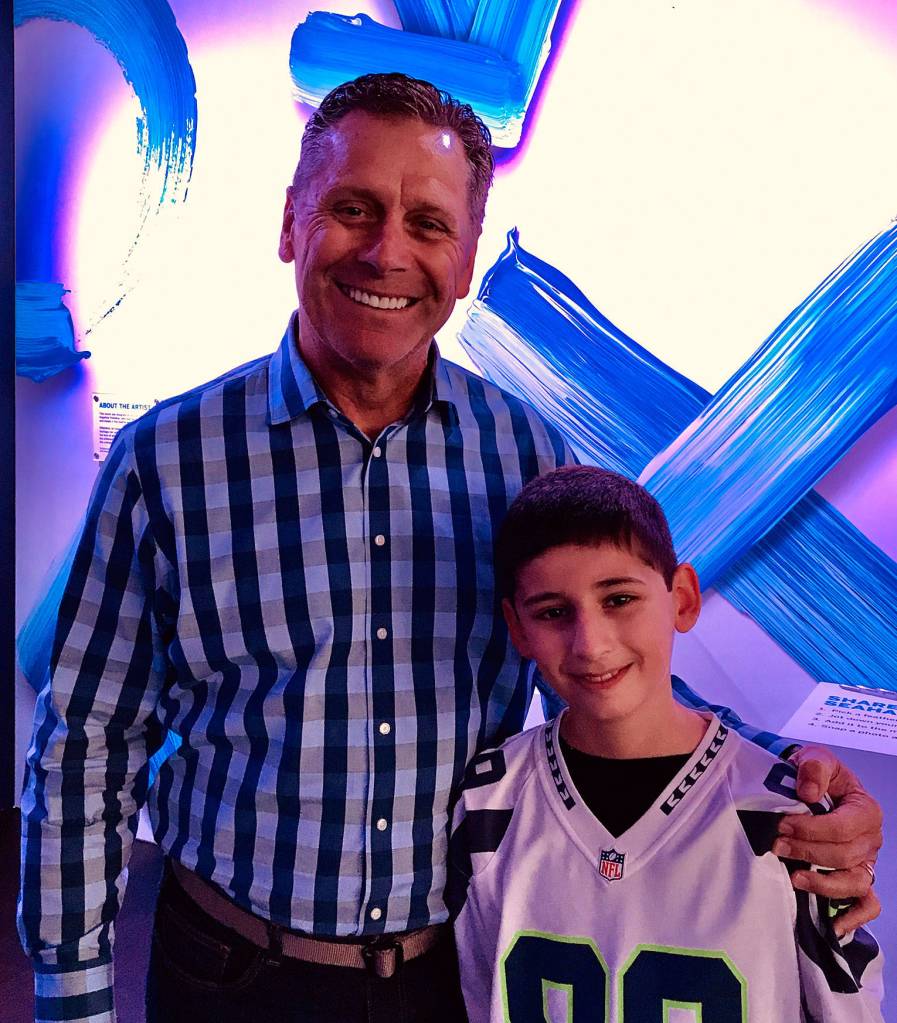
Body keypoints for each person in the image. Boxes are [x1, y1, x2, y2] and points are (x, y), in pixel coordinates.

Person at [18, 73, 882, 1023]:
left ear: (466, 259)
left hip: (454, 975)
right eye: (352, 209)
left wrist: (787, 770)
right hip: (231, 971)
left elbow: (603, 675)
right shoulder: (167, 460)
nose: (387, 251)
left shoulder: (524, 452)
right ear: (290, 223)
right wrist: (74, 997)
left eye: (428, 224)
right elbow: (88, 745)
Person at [449, 465, 884, 1022]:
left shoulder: (786, 815)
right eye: (553, 612)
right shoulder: (488, 802)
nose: (591, 644)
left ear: (682, 599)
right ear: (517, 627)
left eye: (618, 599)